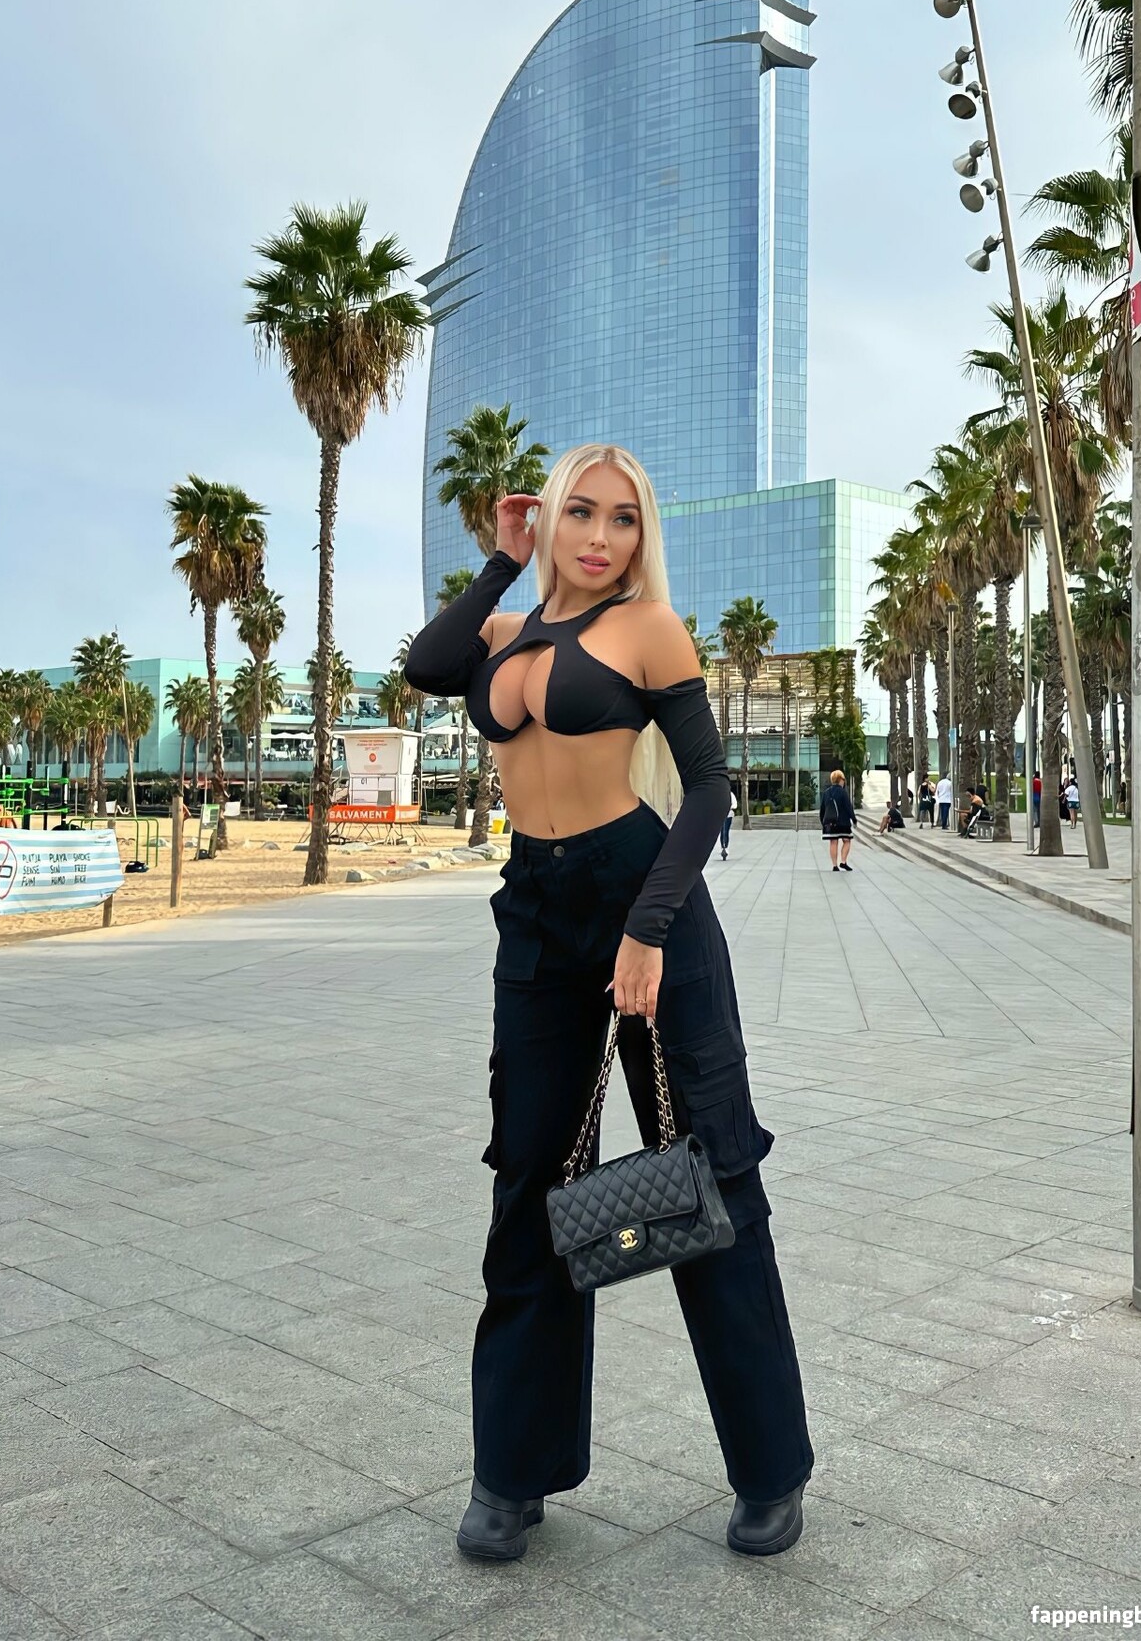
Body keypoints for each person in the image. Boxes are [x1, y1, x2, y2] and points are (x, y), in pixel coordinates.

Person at [403, 445, 813, 1565]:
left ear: (642, 534)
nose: (598, 537)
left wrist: (648, 929)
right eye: (577, 513)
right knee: (527, 1180)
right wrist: (500, 562)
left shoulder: (648, 629)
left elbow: (708, 788)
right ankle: (512, 1473)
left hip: (644, 902)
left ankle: (770, 1470)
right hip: (535, 913)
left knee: (711, 1172)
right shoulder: (504, 629)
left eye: (621, 519)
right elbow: (427, 664)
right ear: (547, 520)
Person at [818, 768, 857, 870]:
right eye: (843, 779)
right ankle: (843, 862)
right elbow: (848, 807)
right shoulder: (843, 792)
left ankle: (834, 865)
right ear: (840, 780)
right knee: (847, 840)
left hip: (831, 822)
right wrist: (854, 819)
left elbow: (822, 809)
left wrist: (823, 822)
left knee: (833, 842)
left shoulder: (826, 793)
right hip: (843, 823)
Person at [720, 784, 738, 859]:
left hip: (728, 815)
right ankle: (722, 846)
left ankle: (726, 846)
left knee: (726, 831)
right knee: (722, 831)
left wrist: (728, 807)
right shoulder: (719, 794)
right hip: (720, 815)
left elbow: (735, 805)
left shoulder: (731, 795)